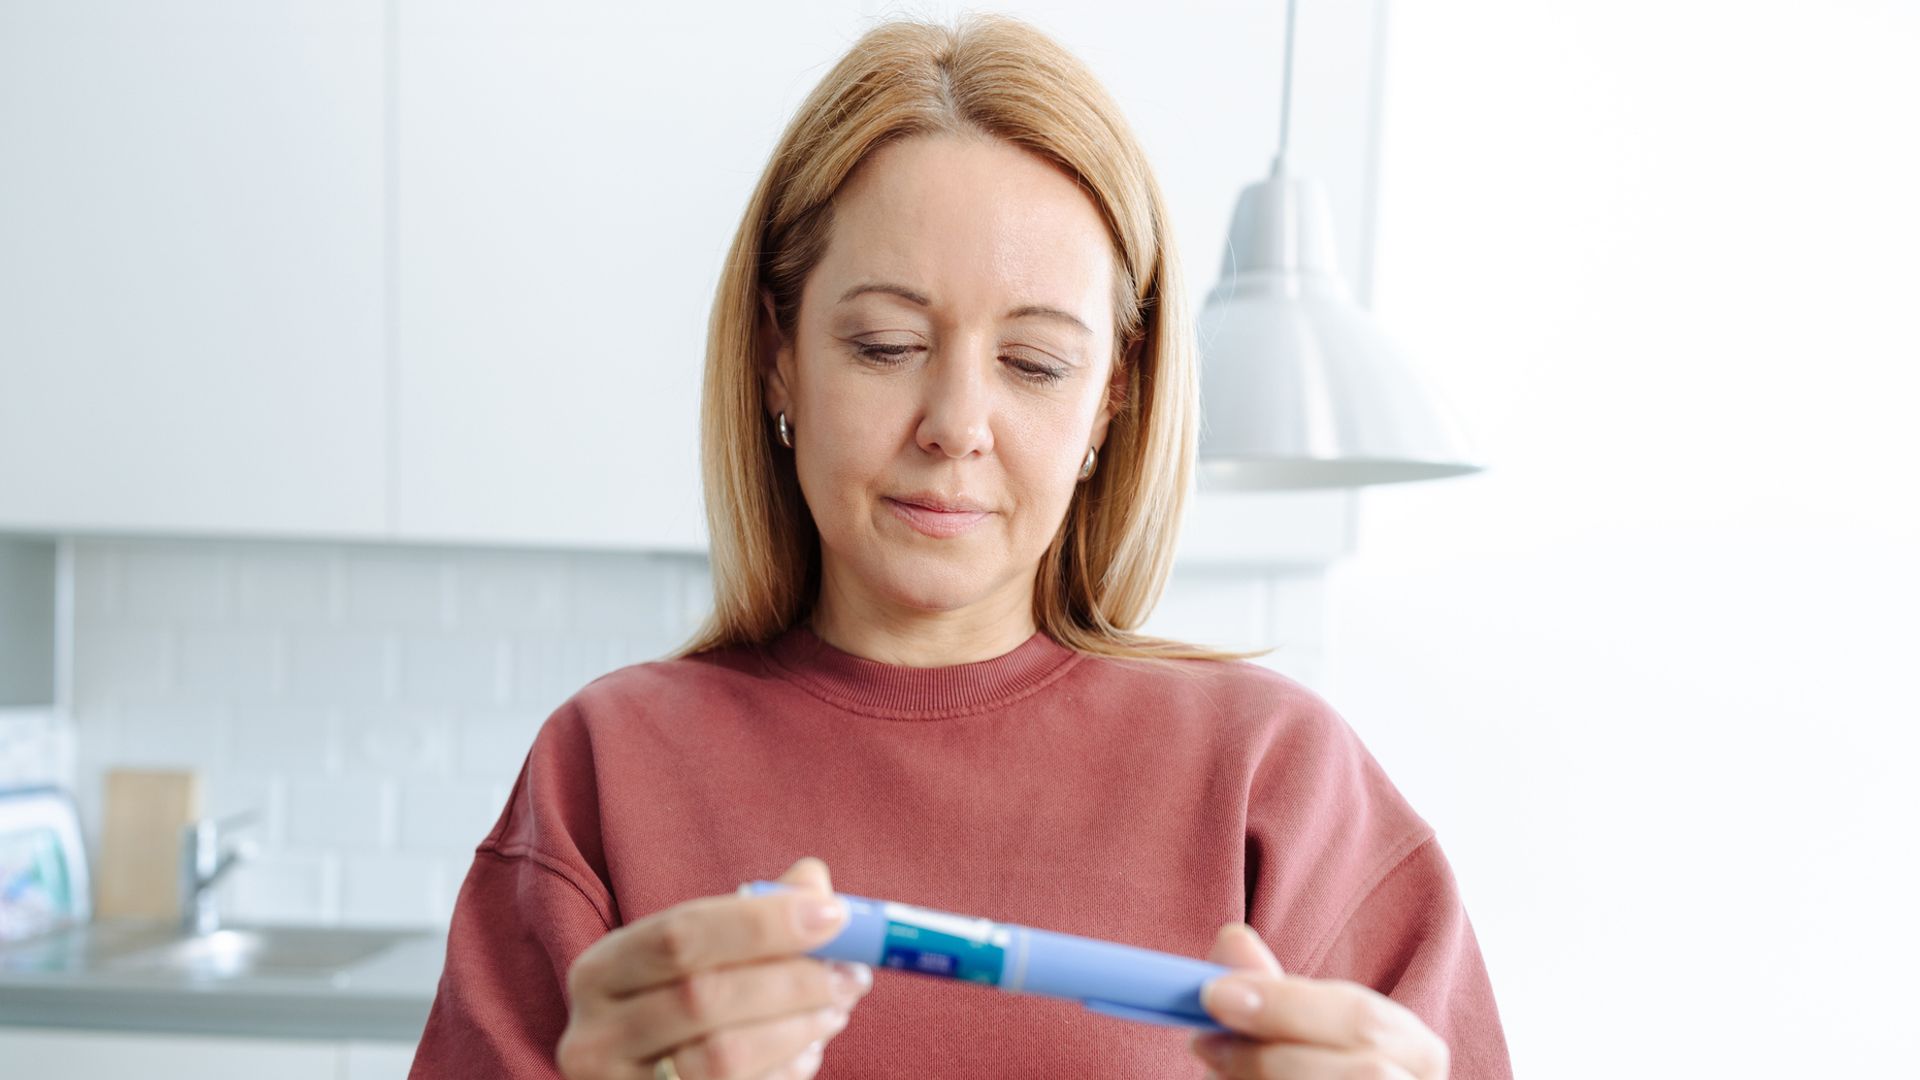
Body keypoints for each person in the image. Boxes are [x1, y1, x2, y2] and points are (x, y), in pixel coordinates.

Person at [409, 13, 1511, 1080]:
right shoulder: (608, 771)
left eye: (1034, 364)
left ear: (1112, 398)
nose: (956, 424)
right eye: (886, 345)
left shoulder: (1282, 779)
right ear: (779, 355)